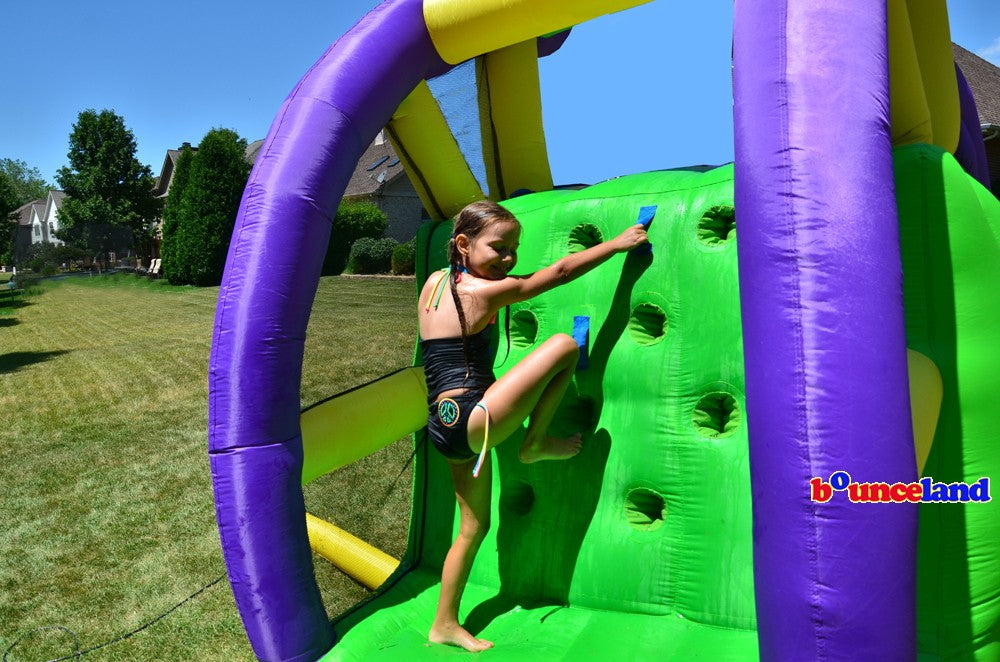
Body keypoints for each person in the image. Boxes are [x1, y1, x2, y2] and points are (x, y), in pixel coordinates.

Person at [419, 200, 649, 651]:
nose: (509, 259)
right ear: (463, 244)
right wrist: (618, 244)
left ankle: (444, 623)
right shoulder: (483, 293)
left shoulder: (435, 282)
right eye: (499, 248)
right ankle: (536, 442)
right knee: (563, 345)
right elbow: (559, 272)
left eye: (514, 249)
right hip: (473, 418)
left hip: (443, 427)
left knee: (472, 528)